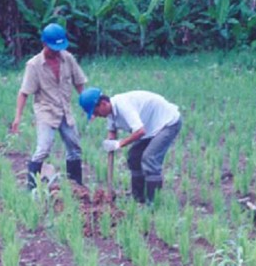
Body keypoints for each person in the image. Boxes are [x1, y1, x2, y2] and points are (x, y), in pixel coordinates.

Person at [12, 23, 88, 189]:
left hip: (65, 111)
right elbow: (24, 92)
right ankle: (32, 188)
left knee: (75, 148)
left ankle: (76, 187)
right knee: (43, 149)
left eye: (59, 48)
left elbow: (80, 83)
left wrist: (87, 104)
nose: (56, 51)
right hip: (46, 111)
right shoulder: (34, 65)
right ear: (44, 44)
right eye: (53, 47)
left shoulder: (67, 58)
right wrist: (18, 117)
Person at [78, 87, 181, 203]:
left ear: (103, 104)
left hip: (167, 123)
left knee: (149, 158)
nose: (96, 115)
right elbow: (112, 131)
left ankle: (153, 202)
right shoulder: (110, 112)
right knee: (134, 157)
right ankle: (138, 198)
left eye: (96, 112)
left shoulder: (123, 106)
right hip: (150, 126)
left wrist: (119, 144)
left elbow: (140, 131)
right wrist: (110, 142)